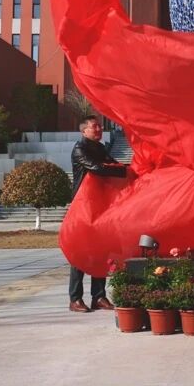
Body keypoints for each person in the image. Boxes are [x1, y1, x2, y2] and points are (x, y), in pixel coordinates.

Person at [68, 115, 128, 312]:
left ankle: (99, 296)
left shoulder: (100, 148)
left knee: (101, 250)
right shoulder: (80, 149)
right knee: (80, 252)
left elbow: (113, 164)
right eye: (95, 127)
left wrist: (130, 169)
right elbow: (98, 169)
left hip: (100, 205)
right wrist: (122, 171)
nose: (99, 129)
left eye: (100, 126)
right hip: (82, 207)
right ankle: (75, 298)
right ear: (84, 130)